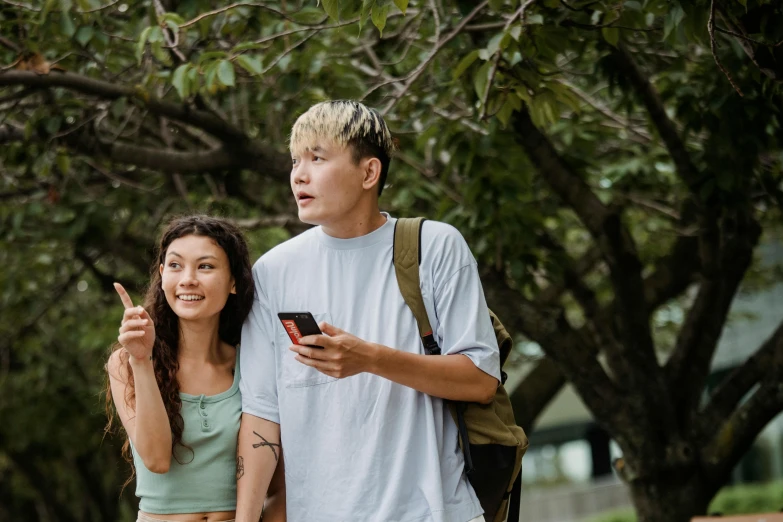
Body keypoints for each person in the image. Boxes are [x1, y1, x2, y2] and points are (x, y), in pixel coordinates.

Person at [237, 100, 500, 522]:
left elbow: (482, 379)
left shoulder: (434, 247)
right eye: (294, 161)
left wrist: (370, 359)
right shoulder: (272, 273)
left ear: (369, 172)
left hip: (432, 512)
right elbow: (261, 413)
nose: (298, 175)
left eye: (317, 158)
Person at [105, 215, 285, 522]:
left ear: (232, 283)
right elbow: (157, 459)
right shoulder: (127, 362)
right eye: (175, 266)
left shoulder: (253, 361)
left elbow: (279, 483)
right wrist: (142, 360)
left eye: (205, 266)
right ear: (162, 276)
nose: (188, 278)